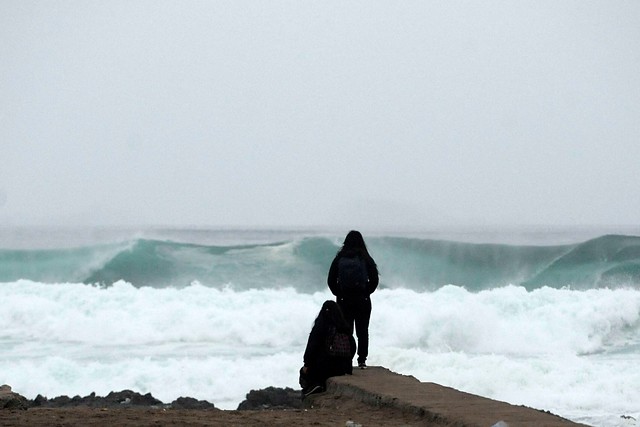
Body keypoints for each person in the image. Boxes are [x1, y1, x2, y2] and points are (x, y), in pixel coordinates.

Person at [327, 230, 379, 369]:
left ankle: (347, 360)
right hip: (362, 300)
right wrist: (366, 292)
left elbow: (331, 280)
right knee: (362, 331)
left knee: (346, 330)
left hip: (344, 301)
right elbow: (374, 279)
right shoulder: (365, 258)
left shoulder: (339, 258)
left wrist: (339, 293)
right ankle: (362, 360)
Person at [300, 300, 356, 397]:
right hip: (342, 368)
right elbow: (353, 347)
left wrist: (306, 364)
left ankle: (312, 387)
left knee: (304, 372)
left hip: (324, 368)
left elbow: (311, 347)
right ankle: (315, 385)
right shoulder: (344, 327)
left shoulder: (320, 326)